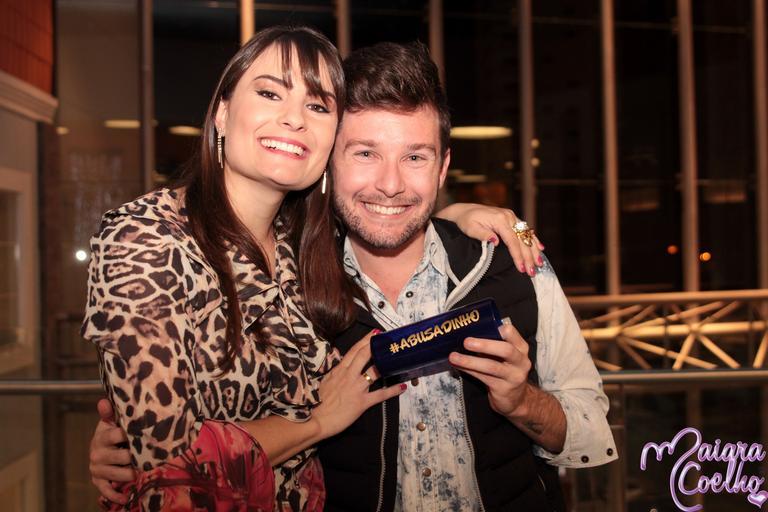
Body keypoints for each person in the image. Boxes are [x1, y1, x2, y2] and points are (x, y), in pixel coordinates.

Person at [83, 26, 543, 511]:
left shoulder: (301, 245)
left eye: (318, 106)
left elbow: (392, 208)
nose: (294, 119)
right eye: (270, 93)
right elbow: (169, 463)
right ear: (222, 112)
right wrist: (318, 421)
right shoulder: (145, 236)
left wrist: (463, 214)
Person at [316, 41, 618, 511]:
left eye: (415, 157)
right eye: (366, 153)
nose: (391, 184)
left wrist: (522, 401)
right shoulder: (289, 286)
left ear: (442, 169)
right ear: (329, 163)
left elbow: (591, 431)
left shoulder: (519, 261)